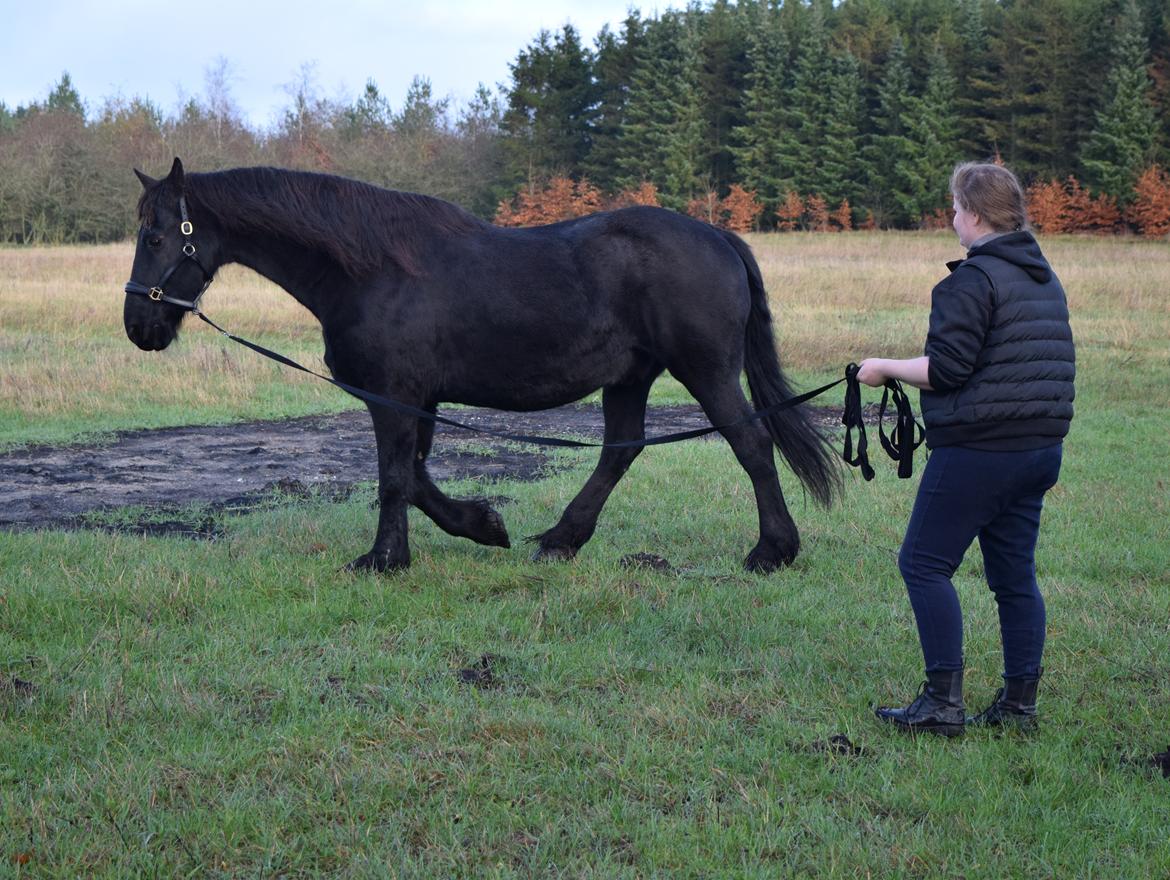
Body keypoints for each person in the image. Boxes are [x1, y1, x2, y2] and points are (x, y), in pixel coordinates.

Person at [857, 161, 1075, 736]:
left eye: (954, 207)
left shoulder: (971, 282)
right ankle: (1018, 707)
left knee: (923, 564)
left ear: (974, 214)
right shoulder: (1043, 279)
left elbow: (948, 370)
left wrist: (881, 368)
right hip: (1039, 451)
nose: (952, 216)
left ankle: (941, 704)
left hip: (980, 452)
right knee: (1014, 577)